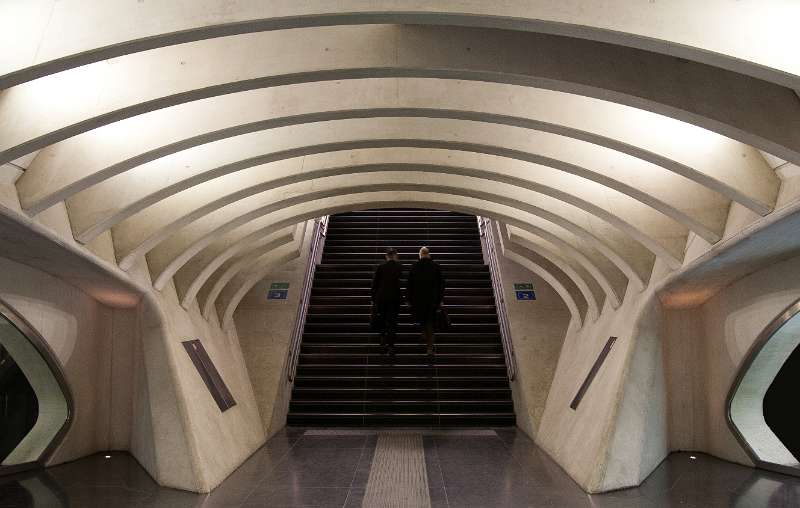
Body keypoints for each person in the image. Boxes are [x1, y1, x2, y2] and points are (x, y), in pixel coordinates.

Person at [406, 246, 445, 357]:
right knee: (430, 323)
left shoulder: (414, 266)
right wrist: (440, 299)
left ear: (420, 255)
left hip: (418, 300)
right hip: (432, 299)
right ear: (428, 254)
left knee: (422, 319)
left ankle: (424, 334)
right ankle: (429, 347)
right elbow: (441, 284)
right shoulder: (435, 266)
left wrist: (408, 298)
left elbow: (410, 284)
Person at [371, 248, 403, 355]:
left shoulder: (381, 267)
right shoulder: (399, 267)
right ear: (394, 256)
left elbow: (375, 284)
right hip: (394, 299)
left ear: (387, 256)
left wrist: (373, 298)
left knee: (383, 319)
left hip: (382, 298)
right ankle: (391, 346)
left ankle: (382, 341)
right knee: (392, 322)